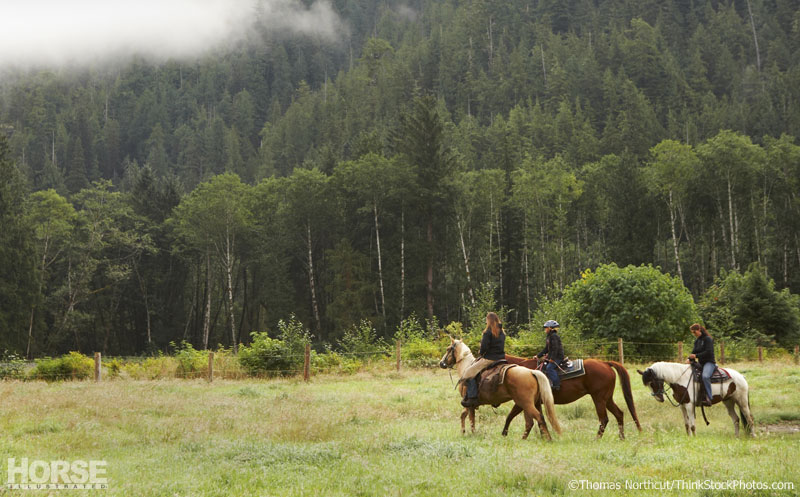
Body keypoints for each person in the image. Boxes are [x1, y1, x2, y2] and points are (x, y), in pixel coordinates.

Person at [460, 312, 506, 408]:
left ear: (489, 320)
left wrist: (481, 352)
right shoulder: (502, 332)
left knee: (468, 373)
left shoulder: (488, 332)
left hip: (489, 359)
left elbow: (484, 347)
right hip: (501, 358)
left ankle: (472, 397)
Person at [687, 323, 715, 406]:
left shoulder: (708, 339)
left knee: (705, 376)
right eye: (692, 333)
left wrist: (696, 356)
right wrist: (689, 358)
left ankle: (709, 398)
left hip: (709, 362)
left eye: (694, 332)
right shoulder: (697, 341)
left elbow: (708, 352)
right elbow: (694, 352)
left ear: (699, 330)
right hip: (701, 363)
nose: (694, 334)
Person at [537, 320, 564, 391]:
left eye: (546, 328)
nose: (545, 329)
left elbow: (555, 348)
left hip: (558, 357)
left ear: (550, 328)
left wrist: (552, 358)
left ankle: (556, 384)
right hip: (552, 356)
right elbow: (546, 348)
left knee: (549, 368)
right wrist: (538, 356)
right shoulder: (549, 337)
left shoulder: (554, 336)